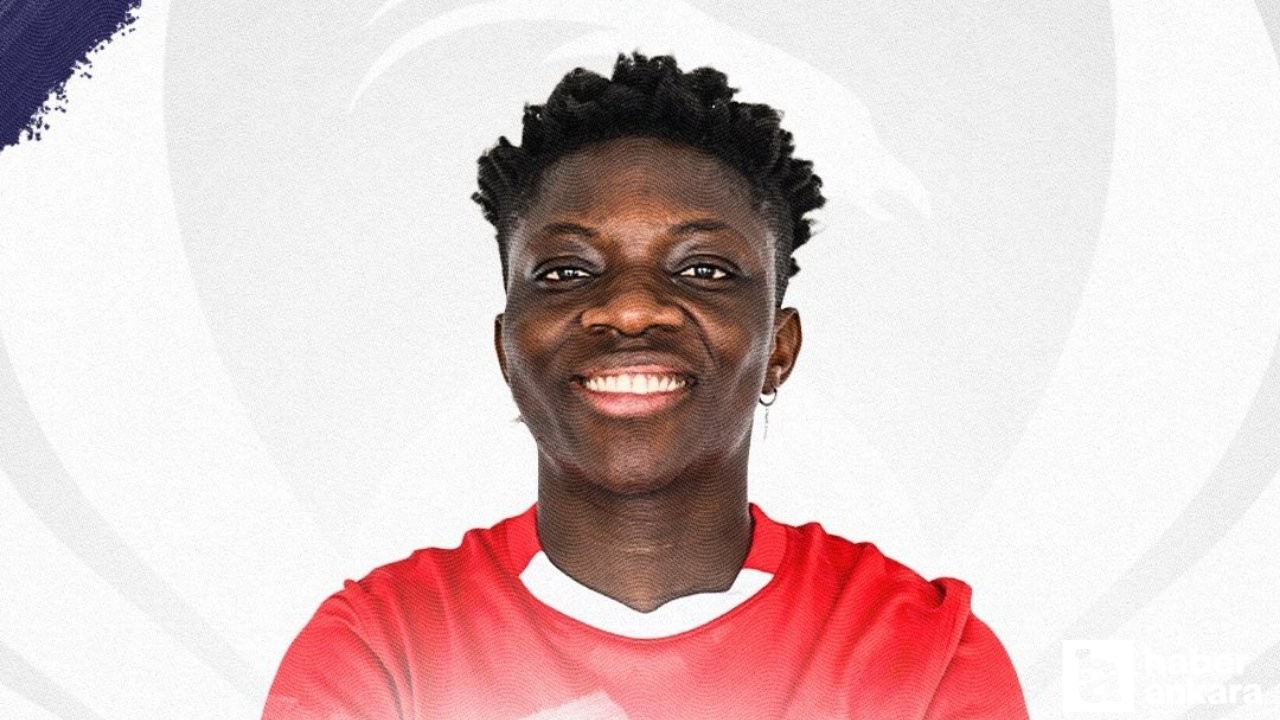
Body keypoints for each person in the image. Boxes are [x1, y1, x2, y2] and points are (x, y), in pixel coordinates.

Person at [263, 52, 1027, 719]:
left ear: (779, 348)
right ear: (507, 349)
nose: (630, 309)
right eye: (565, 271)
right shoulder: (382, 648)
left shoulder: (921, 653)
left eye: (705, 269)